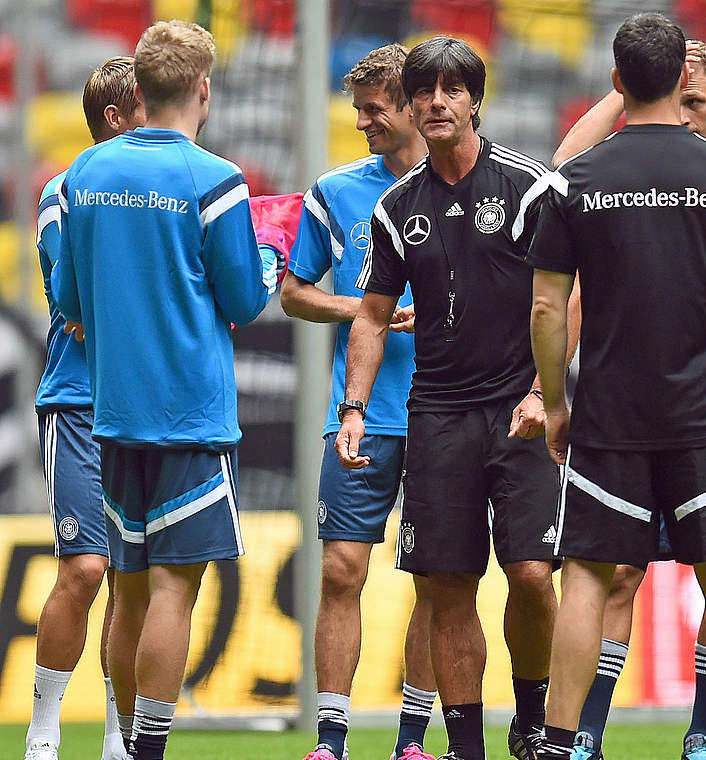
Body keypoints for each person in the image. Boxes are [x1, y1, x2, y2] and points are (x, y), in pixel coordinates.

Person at [520, 13, 706, 760]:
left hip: (608, 416)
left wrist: (556, 402)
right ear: (683, 80)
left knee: (586, 581)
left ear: (615, 83)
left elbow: (547, 305)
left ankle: (560, 741)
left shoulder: (578, 179)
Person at [52, 20, 278, 760]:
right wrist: (271, 260)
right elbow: (244, 302)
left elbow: (70, 303)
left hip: (111, 418)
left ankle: (118, 743)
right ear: (203, 89)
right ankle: (146, 750)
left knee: (130, 586)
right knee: (175, 593)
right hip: (192, 420)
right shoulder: (215, 179)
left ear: (141, 90)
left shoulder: (82, 175)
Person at [342, 36, 562, 760]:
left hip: (521, 413)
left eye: (452, 90)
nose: (437, 102)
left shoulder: (528, 187)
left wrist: (544, 391)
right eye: (424, 92)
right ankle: (465, 746)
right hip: (436, 414)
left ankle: (531, 720)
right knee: (449, 582)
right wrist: (353, 408)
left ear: (474, 100)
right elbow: (373, 313)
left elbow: (569, 294)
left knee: (531, 577)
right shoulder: (395, 206)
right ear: (410, 106)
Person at [281, 44, 438, 760]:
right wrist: (364, 308)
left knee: (438, 579)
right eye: (358, 110)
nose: (362, 123)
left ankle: (412, 739)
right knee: (342, 569)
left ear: (412, 106)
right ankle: (331, 738)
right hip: (362, 413)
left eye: (373, 111)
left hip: (445, 412)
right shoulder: (336, 191)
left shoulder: (467, 188)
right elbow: (292, 291)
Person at [24, 56, 144, 760]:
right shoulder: (63, 191)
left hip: (145, 408)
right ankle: (43, 732)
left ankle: (115, 738)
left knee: (132, 578)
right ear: (116, 117)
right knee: (85, 568)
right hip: (76, 402)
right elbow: (75, 305)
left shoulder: (166, 192)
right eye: (148, 105)